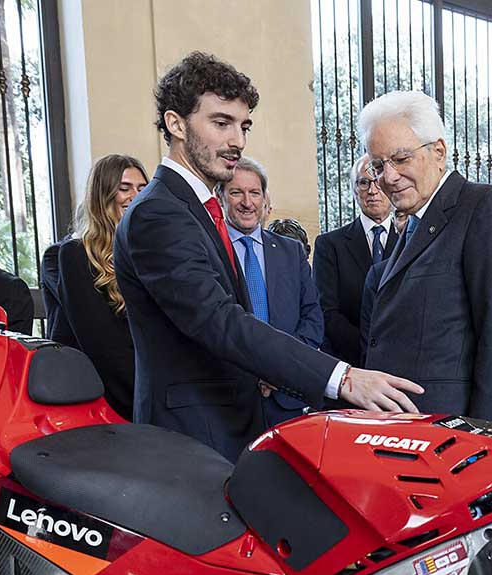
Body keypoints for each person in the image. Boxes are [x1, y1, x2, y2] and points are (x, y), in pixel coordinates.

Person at [114, 52, 420, 461]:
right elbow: (219, 320)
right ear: (176, 124)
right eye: (221, 123)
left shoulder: (194, 207)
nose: (237, 141)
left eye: (243, 126)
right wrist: (341, 377)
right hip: (190, 437)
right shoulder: (159, 212)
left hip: (229, 423)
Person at [360, 90, 492, 423]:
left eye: (401, 159)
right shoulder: (412, 225)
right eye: (379, 165)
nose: (387, 177)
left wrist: (482, 440)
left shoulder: (484, 207)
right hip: (403, 428)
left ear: (438, 152)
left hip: (453, 435)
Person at [221, 156, 325, 427]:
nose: (247, 201)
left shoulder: (291, 252)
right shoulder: (211, 251)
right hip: (232, 402)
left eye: (254, 193)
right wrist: (255, 373)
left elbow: (312, 318)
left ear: (265, 199)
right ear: (221, 197)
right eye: (236, 192)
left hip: (288, 398)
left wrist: (281, 370)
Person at [56, 154, 149, 419]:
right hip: (108, 403)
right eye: (124, 188)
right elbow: (105, 350)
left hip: (148, 392)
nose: (135, 195)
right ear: (103, 194)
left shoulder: (147, 251)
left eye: (142, 189)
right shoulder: (75, 254)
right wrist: (145, 407)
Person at [313, 154, 395, 365]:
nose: (372, 190)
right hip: (351, 362)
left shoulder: (412, 241)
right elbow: (327, 312)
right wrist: (369, 349)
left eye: (377, 180)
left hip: (403, 362)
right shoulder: (330, 245)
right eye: (363, 182)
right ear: (353, 190)